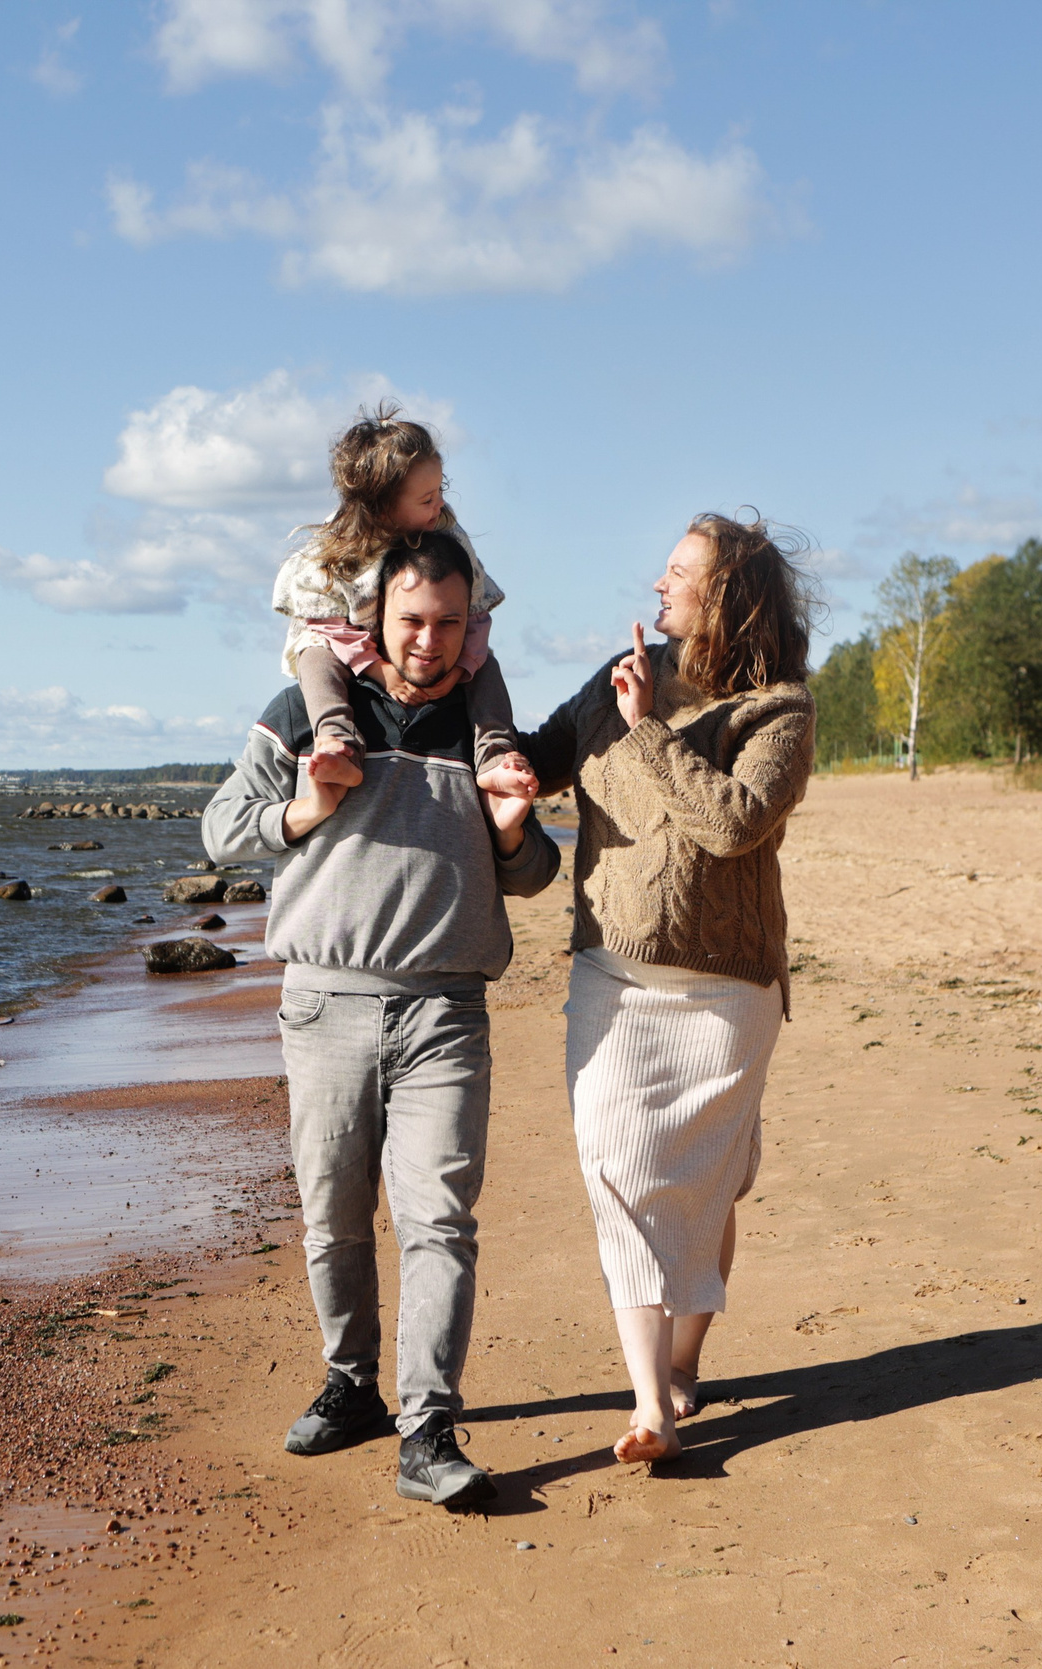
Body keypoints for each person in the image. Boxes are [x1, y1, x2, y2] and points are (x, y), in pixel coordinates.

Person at [204, 532, 560, 1508]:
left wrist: (512, 830)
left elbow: (533, 874)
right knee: (333, 1217)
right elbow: (222, 828)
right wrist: (305, 808)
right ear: (375, 615)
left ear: (470, 625)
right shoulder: (307, 713)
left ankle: (428, 1429)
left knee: (438, 1220)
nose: (428, 641)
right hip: (323, 1005)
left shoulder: (483, 728)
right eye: (411, 620)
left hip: (446, 1011)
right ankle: (351, 1383)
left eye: (448, 623)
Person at [517, 511, 816, 1465]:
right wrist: (487, 750)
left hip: (726, 994)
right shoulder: (624, 672)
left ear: (729, 595)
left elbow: (733, 824)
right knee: (617, 1168)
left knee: (705, 1189)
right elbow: (543, 752)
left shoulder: (780, 710)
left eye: (679, 572)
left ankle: (683, 1361)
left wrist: (648, 728)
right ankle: (652, 1405)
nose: (658, 583)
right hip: (612, 975)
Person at [270, 403, 537, 800]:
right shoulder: (338, 551)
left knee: (487, 667)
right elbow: (325, 623)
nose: (440, 505)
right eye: (426, 499)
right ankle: (337, 742)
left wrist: (462, 666)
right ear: (382, 507)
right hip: (351, 646)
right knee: (314, 653)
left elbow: (475, 613)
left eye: (441, 491)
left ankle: (496, 756)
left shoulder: (446, 533)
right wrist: (378, 670)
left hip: (429, 651)